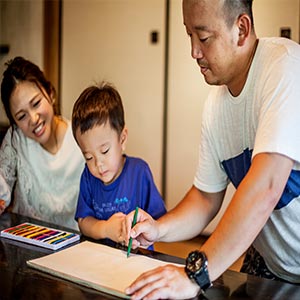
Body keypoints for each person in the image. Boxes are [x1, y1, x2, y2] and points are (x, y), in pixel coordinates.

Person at [124, 0, 300, 299]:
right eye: (188, 36)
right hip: (276, 263)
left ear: (241, 29)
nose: (194, 51)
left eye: (203, 37)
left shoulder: (285, 66)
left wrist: (196, 273)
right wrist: (158, 229)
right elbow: (206, 198)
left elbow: (267, 185)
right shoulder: (215, 108)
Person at [71, 82, 166, 246]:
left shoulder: (139, 172)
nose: (98, 164)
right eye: (88, 157)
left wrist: (140, 232)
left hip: (137, 258)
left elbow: (159, 221)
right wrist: (106, 229)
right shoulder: (88, 177)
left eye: (105, 151)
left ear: (122, 139)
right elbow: (83, 222)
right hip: (100, 258)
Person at [0, 56, 85, 230]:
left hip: (75, 249)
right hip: (25, 245)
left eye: (36, 103)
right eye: (21, 116)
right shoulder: (16, 139)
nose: (33, 119)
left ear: (50, 94)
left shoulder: (81, 138)